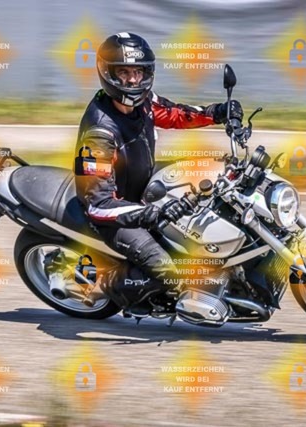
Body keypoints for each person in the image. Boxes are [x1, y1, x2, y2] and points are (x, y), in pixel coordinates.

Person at [74, 32, 243, 312]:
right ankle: (100, 283)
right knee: (168, 271)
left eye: (138, 72)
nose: (132, 80)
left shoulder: (144, 101)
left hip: (144, 187)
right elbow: (98, 205)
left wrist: (216, 112)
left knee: (210, 181)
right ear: (108, 73)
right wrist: (152, 214)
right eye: (124, 72)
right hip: (118, 214)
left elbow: (173, 113)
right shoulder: (99, 134)